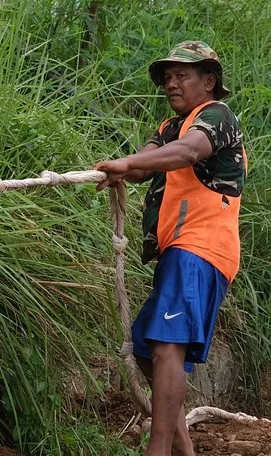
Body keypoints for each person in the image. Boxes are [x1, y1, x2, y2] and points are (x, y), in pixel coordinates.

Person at [95, 41, 246, 456]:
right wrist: (124, 167)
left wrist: (128, 165)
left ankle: (157, 450)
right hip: (177, 252)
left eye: (182, 75)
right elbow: (146, 162)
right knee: (147, 347)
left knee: (164, 347)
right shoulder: (167, 128)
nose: (171, 84)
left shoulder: (216, 117)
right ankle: (182, 450)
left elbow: (189, 152)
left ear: (209, 81)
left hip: (200, 248)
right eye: (167, 77)